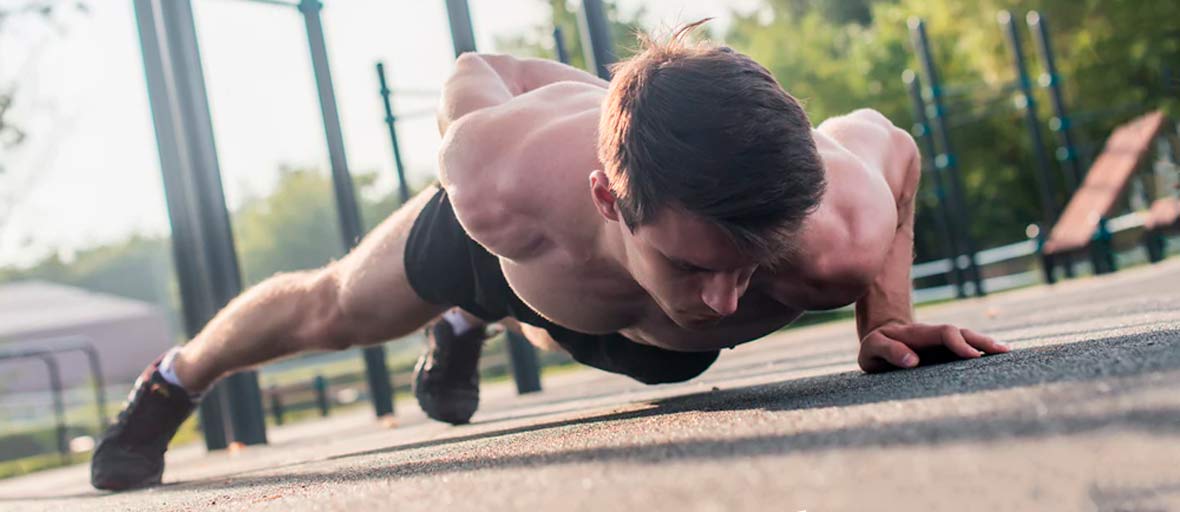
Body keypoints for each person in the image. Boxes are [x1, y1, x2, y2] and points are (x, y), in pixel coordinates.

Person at [89, 21, 1007, 491]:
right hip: (523, 254)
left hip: (624, 328)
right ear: (609, 196)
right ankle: (173, 381)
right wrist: (591, 102)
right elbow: (477, 65)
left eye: (749, 261)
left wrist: (885, 316)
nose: (728, 302)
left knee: (601, 331)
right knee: (333, 306)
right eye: (693, 264)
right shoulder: (497, 179)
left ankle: (481, 323)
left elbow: (895, 144)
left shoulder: (837, 227)